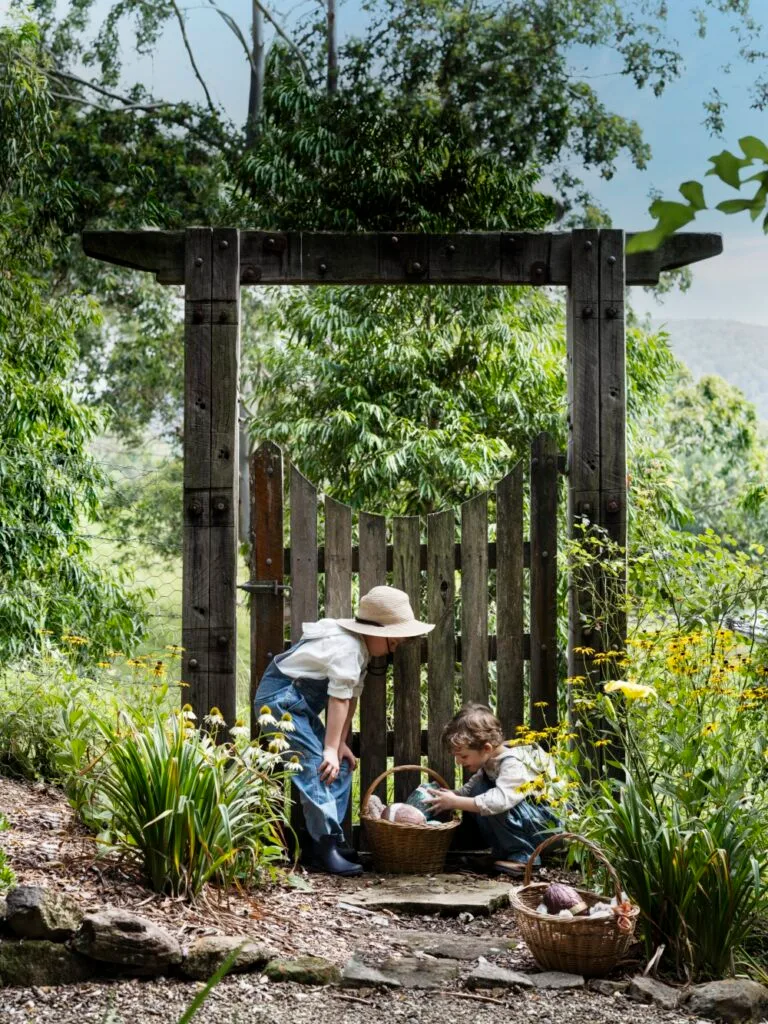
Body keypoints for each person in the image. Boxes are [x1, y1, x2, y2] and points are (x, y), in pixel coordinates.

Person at [254, 585, 434, 877]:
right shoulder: (347, 648)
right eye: (393, 641)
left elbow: (350, 698)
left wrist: (339, 746)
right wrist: (328, 749)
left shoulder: (360, 651)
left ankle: (326, 843)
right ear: (376, 632)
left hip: (297, 706)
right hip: (279, 702)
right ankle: (325, 847)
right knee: (317, 767)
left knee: (342, 767)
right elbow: (337, 699)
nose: (397, 645)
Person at [425, 702, 562, 877]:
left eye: (463, 756)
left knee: (492, 800)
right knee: (479, 791)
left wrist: (456, 802)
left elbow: (500, 800)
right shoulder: (489, 761)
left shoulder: (513, 763)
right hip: (531, 822)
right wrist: (450, 796)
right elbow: (470, 790)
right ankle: (503, 854)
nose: (459, 762)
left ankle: (524, 857)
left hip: (546, 827)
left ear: (487, 748)